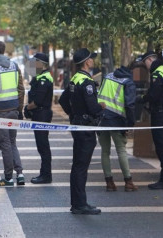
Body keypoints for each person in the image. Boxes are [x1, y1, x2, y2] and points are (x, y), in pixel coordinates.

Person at [59, 48, 105, 215]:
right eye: (92, 58)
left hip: (78, 125)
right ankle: (80, 205)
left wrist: (73, 115)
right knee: (81, 167)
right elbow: (93, 107)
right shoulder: (86, 82)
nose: (93, 60)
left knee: (77, 166)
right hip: (85, 129)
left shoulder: (74, 79)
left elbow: (63, 100)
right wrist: (100, 107)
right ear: (87, 62)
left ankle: (78, 202)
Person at [0, 41, 25, 187]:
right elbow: (21, 90)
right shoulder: (14, 66)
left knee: (5, 144)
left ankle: (8, 177)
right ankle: (20, 174)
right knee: (12, 142)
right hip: (13, 110)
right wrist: (19, 110)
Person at [136, 51, 163, 190]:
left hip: (159, 113)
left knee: (161, 146)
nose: (146, 67)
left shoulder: (158, 73)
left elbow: (154, 94)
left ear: (149, 60)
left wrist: (142, 99)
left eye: (145, 63)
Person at [97, 64, 138, 192]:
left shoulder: (108, 76)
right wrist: (130, 124)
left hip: (101, 118)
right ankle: (128, 182)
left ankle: (109, 183)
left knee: (105, 151)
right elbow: (130, 105)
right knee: (121, 150)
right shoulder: (128, 82)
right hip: (117, 120)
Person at [24, 53, 54, 184]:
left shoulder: (44, 79)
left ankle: (46, 175)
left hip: (42, 114)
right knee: (42, 146)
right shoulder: (40, 77)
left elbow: (38, 101)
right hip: (39, 114)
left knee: (43, 146)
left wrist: (27, 108)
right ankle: (44, 173)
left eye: (35, 62)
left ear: (42, 64)